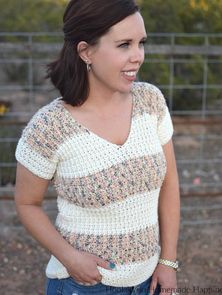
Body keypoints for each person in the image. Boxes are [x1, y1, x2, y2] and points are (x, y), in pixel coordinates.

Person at [14, 0, 180, 294]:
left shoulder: (151, 102)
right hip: (84, 285)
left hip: (151, 280)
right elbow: (27, 204)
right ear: (85, 51)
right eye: (124, 45)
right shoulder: (49, 127)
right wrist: (70, 258)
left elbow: (170, 185)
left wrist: (168, 261)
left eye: (141, 43)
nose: (138, 56)